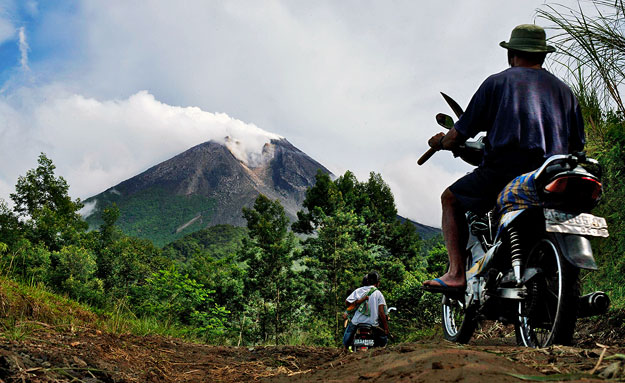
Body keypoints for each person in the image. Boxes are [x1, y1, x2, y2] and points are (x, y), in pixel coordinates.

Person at [422, 24, 585, 293]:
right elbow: (578, 146)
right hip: (554, 173)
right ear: (542, 56)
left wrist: (441, 142)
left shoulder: (497, 82)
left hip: (505, 172)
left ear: (511, 55)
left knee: (450, 199)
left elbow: (459, 133)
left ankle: (455, 274)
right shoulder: (566, 92)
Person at [342, 271, 389, 349]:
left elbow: (347, 302)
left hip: (357, 322)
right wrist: (386, 328)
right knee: (382, 340)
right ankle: (381, 350)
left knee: (348, 334)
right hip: (373, 324)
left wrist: (355, 303)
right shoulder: (379, 294)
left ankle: (344, 349)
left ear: (367, 281)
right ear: (378, 283)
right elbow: (381, 312)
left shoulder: (358, 290)